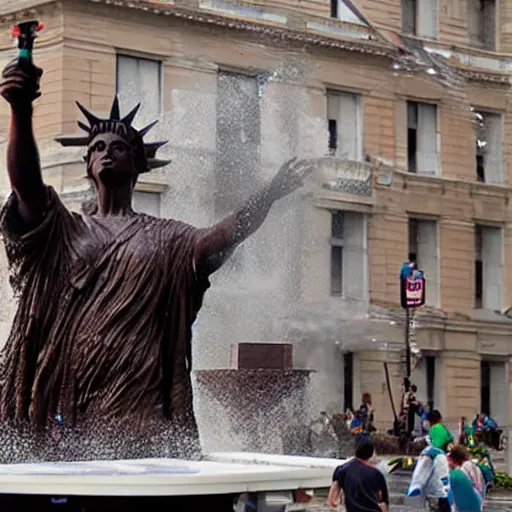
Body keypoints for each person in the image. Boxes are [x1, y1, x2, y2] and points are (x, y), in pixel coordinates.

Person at [0, 47, 314, 461]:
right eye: (96, 147)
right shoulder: (64, 230)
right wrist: (21, 109)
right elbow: (25, 182)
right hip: (72, 413)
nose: (106, 151)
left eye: (119, 147)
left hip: (143, 417)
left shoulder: (168, 240)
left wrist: (270, 194)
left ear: (138, 166)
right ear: (87, 164)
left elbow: (227, 234)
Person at [328, 435, 389, 512]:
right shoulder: (377, 474)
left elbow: (332, 500)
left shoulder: (342, 470)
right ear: (371, 454)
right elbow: (383, 504)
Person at [447, 445, 485, 512]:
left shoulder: (458, 472)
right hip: (477, 502)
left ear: (453, 459)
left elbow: (456, 496)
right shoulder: (475, 466)